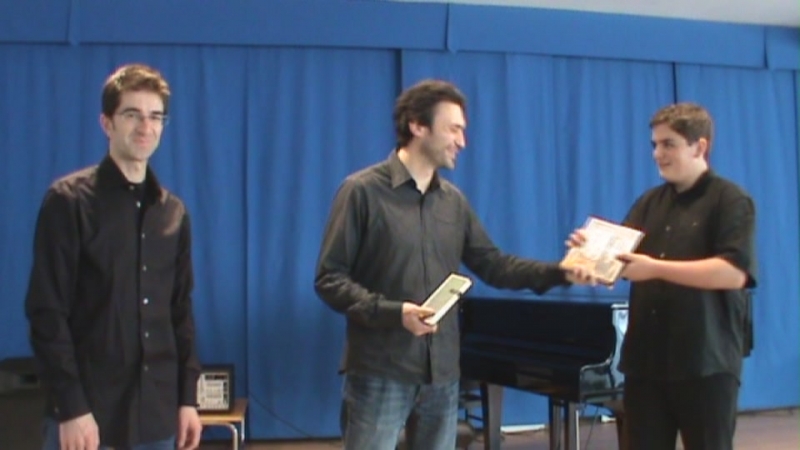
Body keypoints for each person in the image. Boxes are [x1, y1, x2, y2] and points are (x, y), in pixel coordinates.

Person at [314, 79, 593, 450]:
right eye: (454, 129)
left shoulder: (453, 201)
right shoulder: (361, 191)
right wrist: (395, 313)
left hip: (442, 374)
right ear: (417, 125)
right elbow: (330, 278)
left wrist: (561, 271)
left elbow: (494, 265)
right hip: (379, 370)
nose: (462, 141)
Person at [25, 63, 203, 450]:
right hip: (87, 417)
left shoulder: (173, 214)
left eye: (155, 116)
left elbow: (180, 312)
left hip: (157, 417)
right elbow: (46, 311)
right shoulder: (68, 202)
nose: (145, 126)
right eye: (132, 114)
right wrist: (71, 407)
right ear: (107, 123)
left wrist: (188, 398)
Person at [570, 102, 756, 450]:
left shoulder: (730, 200)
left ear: (699, 146)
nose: (657, 153)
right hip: (646, 363)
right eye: (655, 144)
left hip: (706, 363)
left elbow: (733, 273)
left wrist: (655, 268)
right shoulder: (648, 203)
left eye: (668, 144)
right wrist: (589, 256)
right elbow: (619, 262)